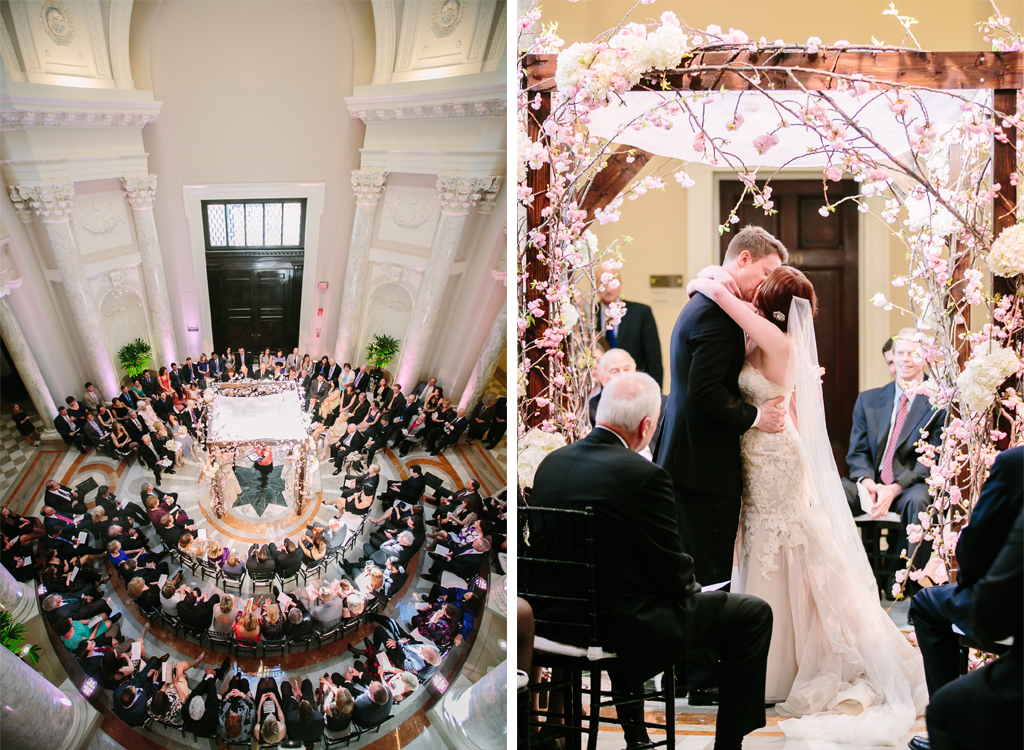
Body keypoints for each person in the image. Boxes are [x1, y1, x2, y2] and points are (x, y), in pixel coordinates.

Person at [685, 265, 928, 739]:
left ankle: (786, 662)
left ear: (770, 305)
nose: (750, 300)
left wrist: (708, 283)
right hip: (759, 449)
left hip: (774, 455)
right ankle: (773, 655)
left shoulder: (778, 343)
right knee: (764, 541)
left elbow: (727, 301)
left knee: (784, 540)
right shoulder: (770, 342)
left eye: (760, 296)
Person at [531, 372, 773, 750]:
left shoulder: (552, 465)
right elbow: (672, 572)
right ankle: (729, 744)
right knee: (753, 614)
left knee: (631, 598)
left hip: (554, 621)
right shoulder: (644, 476)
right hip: (622, 627)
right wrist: (694, 589)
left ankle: (636, 735)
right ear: (647, 426)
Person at [657, 226, 788, 593]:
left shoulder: (709, 302)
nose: (765, 285)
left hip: (688, 456)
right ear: (743, 259)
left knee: (694, 564)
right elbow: (705, 390)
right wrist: (758, 417)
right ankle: (705, 647)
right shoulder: (716, 314)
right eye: (765, 274)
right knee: (708, 570)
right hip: (703, 465)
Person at [908, 445, 1022, 750]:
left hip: (1008, 610)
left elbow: (973, 554)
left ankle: (957, 728)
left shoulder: (1016, 463)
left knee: (924, 602)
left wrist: (979, 580)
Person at [842, 328, 945, 589]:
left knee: (920, 501)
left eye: (912, 353)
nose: (905, 359)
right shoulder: (869, 399)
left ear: (924, 357)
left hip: (911, 485)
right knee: (834, 492)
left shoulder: (939, 402)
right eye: (900, 353)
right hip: (872, 484)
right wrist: (866, 481)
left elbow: (931, 457)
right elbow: (857, 452)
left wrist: (895, 487)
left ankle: (916, 592)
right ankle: (847, 586)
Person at [596, 274, 664, 387]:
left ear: (620, 284)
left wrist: (656, 393)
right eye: (603, 283)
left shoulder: (641, 313)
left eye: (612, 283)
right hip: (599, 389)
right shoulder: (589, 314)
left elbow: (654, 359)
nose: (608, 289)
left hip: (635, 385)